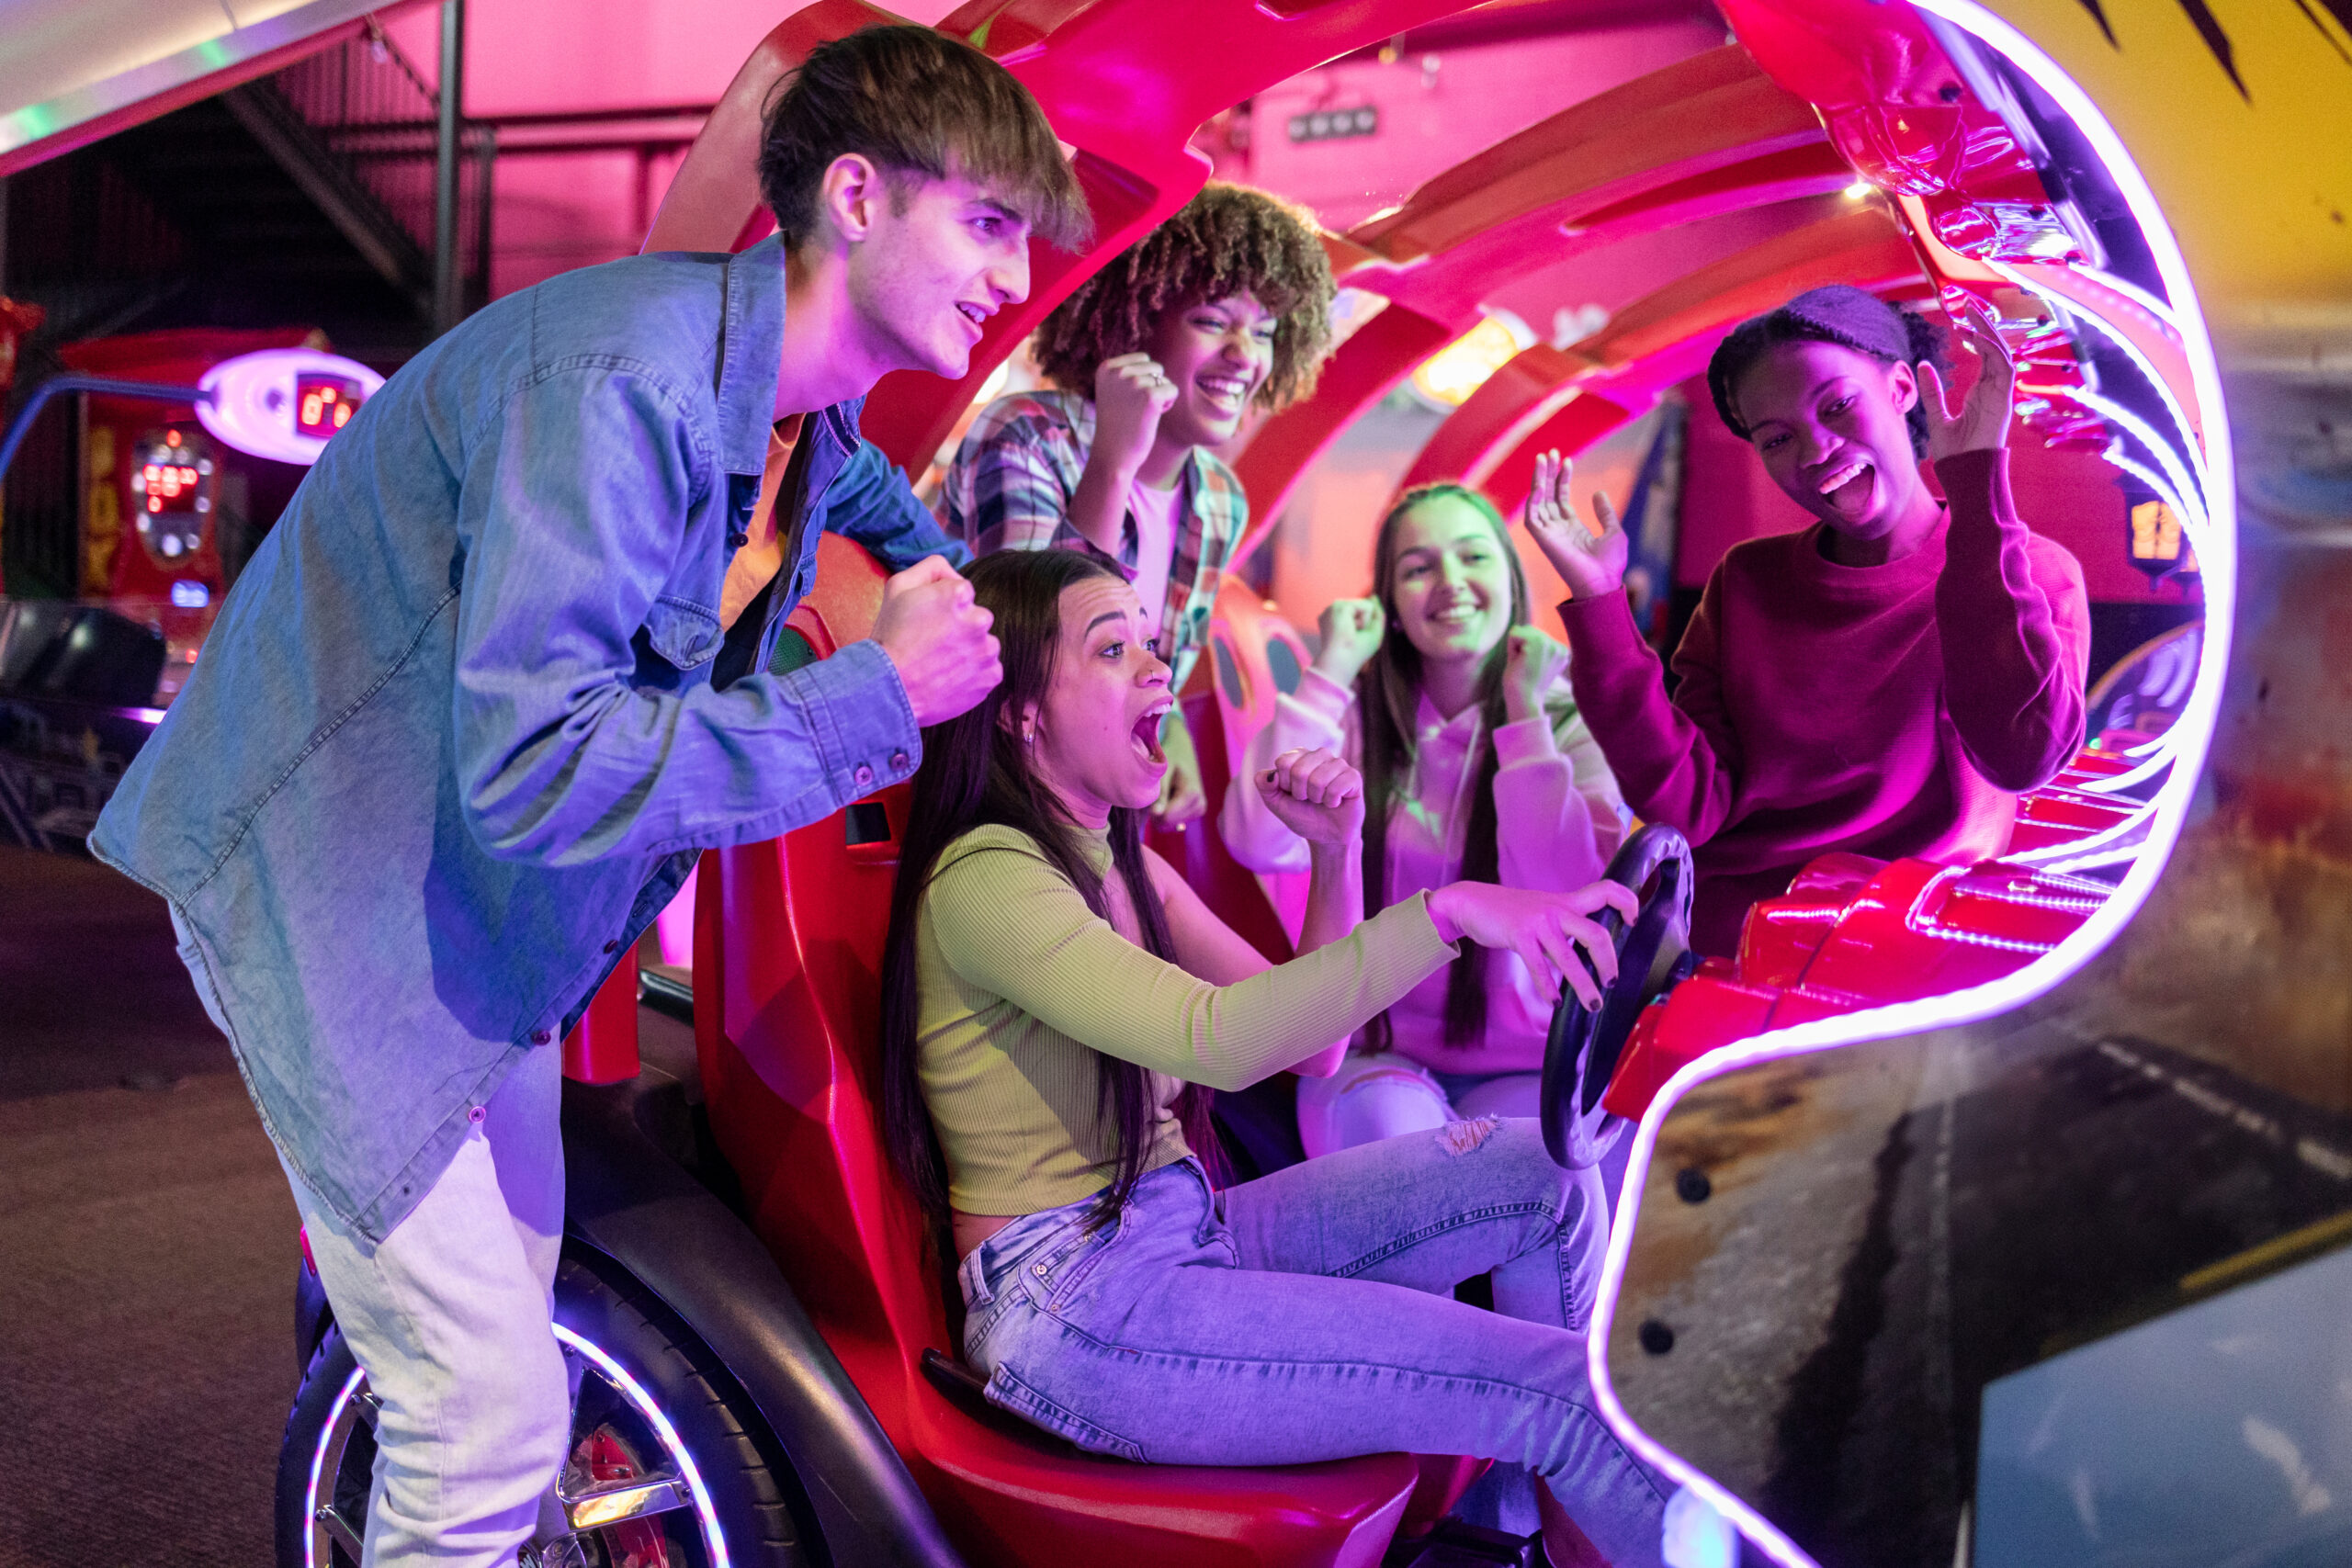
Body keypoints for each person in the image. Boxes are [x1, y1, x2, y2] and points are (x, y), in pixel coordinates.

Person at [89, 28, 1087, 1568]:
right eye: (991, 223)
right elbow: (539, 765)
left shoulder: (800, 414)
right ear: (860, 195)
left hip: (485, 919)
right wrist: (878, 693)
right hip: (332, 894)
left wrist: (999, 597)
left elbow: (882, 511)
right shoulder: (623, 381)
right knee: (475, 1410)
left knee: (521, 1371)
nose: (1011, 278)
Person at [878, 547, 1674, 1568]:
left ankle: (1517, 1537)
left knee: (1545, 1173)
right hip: (1074, 1309)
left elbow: (1317, 1050)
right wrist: (1450, 912)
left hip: (1181, 1226)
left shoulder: (1125, 862)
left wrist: (1336, 850)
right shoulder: (987, 875)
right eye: (1112, 649)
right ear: (1018, 713)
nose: (1158, 672)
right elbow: (1221, 1039)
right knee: (1564, 1391)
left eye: (1152, 647)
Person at [1528, 286, 2091, 955]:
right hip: (1729, 957)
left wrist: (1976, 486)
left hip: (1903, 965)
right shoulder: (1746, 582)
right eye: (1777, 438)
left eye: (1838, 405)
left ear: (1902, 388)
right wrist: (1599, 601)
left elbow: (2022, 756)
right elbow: (1688, 804)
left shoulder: (2032, 571)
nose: (1815, 449)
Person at [1221, 482, 1630, 1157]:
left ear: (1509, 577)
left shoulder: (1563, 713)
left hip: (1526, 1060)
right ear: (1390, 605)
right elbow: (1255, 837)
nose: (1450, 583)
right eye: (1418, 567)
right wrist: (1329, 669)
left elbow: (1565, 888)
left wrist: (1524, 717)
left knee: (1541, 1173)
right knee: (1402, 1151)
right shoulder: (1357, 710)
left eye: (1473, 558)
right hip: (1375, 1052)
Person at [942, 182, 1336, 827]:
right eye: (1211, 322)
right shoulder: (1026, 433)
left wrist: (1166, 723)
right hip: (997, 811)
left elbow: (1150, 669)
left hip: (1103, 824)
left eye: (1262, 332)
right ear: (1133, 320)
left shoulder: (1217, 499)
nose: (1244, 356)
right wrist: (1114, 465)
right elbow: (1037, 660)